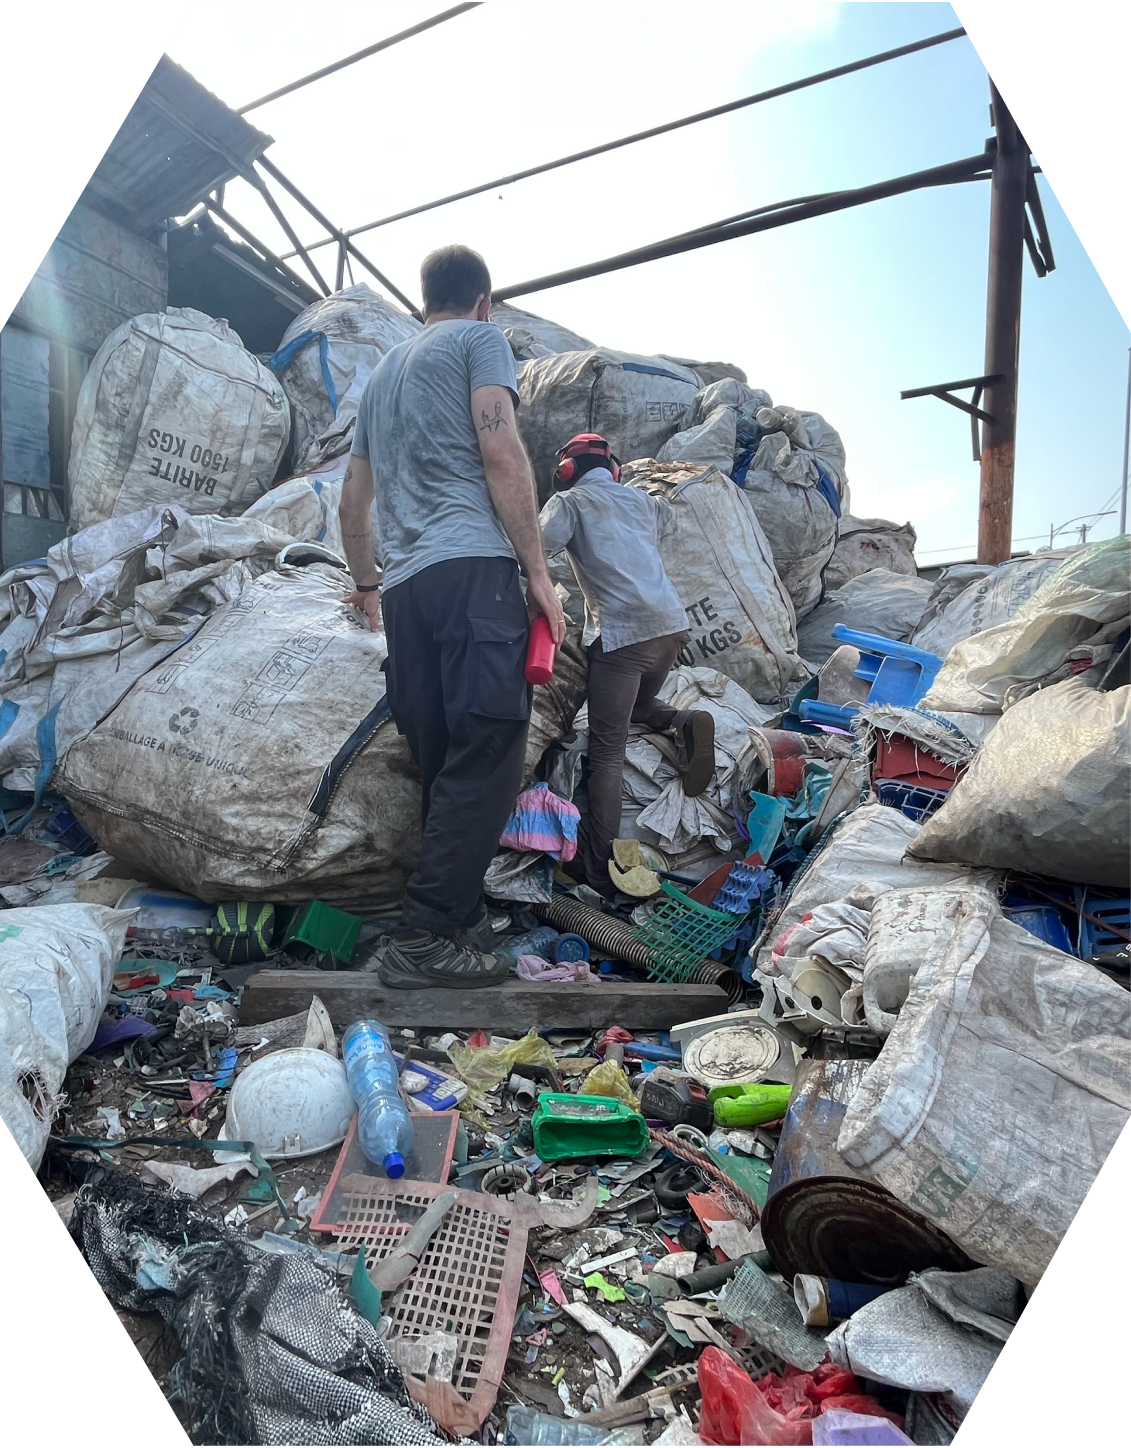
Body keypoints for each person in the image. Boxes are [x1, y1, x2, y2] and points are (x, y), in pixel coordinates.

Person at [339, 245, 566, 989]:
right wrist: (538, 574)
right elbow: (501, 453)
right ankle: (426, 936)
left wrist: (367, 584)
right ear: (483, 302)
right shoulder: (479, 341)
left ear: (423, 299)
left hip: (408, 592)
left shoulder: (382, 376)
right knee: (489, 749)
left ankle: (458, 915)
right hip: (472, 573)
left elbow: (352, 501)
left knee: (442, 758)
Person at [538, 433, 715, 897]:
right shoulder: (642, 501)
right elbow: (663, 519)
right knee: (635, 706)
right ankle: (682, 720)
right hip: (671, 627)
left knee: (607, 752)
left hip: (623, 634)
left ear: (566, 471)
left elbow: (534, 549)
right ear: (614, 469)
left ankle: (600, 870)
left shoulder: (570, 502)